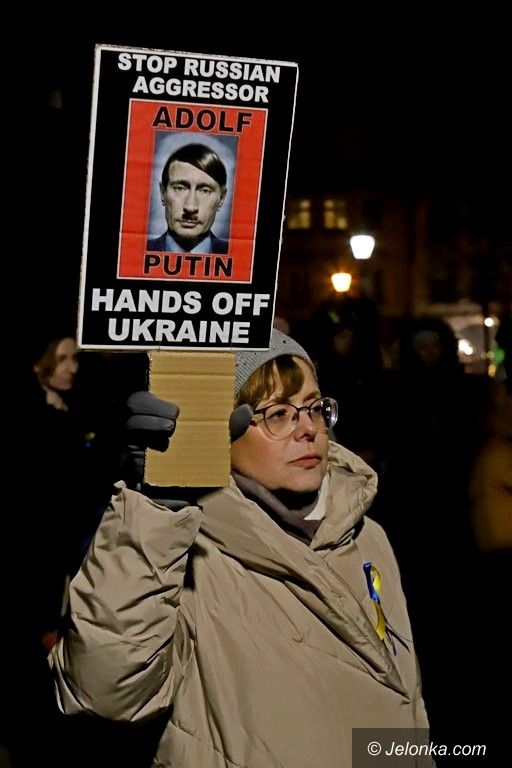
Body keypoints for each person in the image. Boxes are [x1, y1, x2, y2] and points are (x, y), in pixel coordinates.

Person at [50, 330, 432, 767]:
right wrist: (153, 513)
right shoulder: (180, 551)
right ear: (221, 430)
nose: (308, 429)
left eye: (314, 407)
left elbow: (405, 701)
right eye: (278, 414)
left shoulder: (366, 534)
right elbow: (104, 690)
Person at [147, 143, 229, 254]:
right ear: (163, 193)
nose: (190, 207)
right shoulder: (134, 250)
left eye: (205, 191)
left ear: (221, 198)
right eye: (180, 188)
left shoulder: (239, 255)